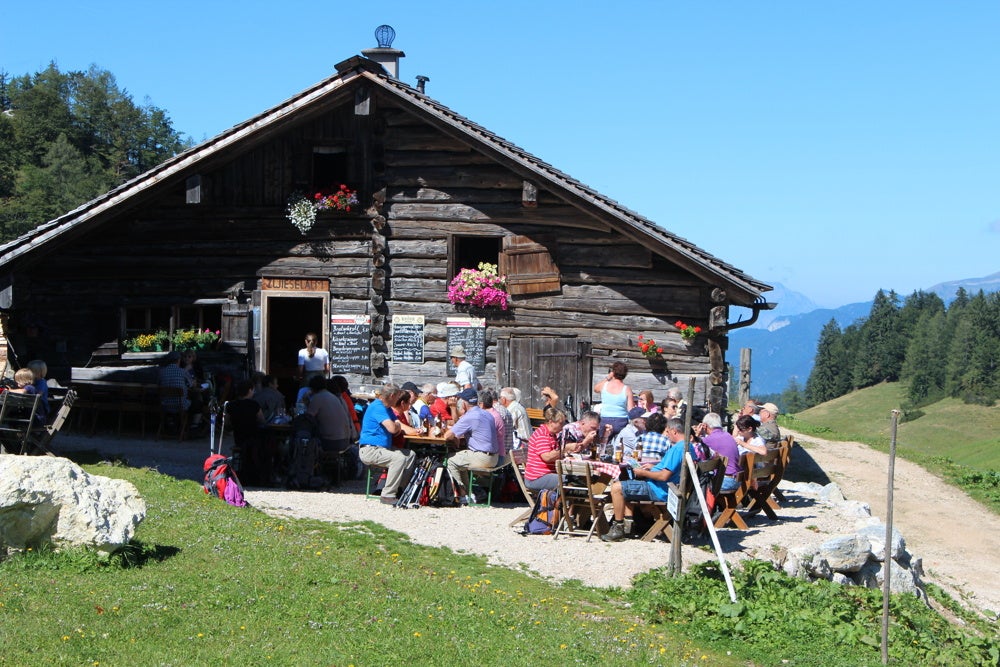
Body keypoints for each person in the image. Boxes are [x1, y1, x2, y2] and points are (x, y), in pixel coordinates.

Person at [601, 417, 691, 542]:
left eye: (668, 431)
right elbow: (669, 470)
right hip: (668, 486)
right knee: (627, 486)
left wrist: (643, 472)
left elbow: (664, 476)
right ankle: (629, 525)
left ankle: (618, 527)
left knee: (617, 488)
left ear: (674, 431)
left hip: (660, 489)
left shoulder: (677, 449)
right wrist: (653, 467)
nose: (667, 434)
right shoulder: (687, 447)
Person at [358, 384, 416, 505]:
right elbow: (393, 429)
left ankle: (399, 490)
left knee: (410, 455)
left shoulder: (387, 409)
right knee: (398, 458)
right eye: (397, 397)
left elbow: (396, 425)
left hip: (383, 449)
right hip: (370, 450)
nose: (398, 400)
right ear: (392, 395)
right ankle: (387, 495)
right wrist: (397, 426)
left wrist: (398, 426)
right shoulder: (378, 407)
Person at [444, 389, 500, 504]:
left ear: (464, 403)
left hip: (482, 458)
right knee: (461, 459)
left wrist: (454, 438)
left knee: (451, 460)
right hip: (494, 458)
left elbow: (447, 436)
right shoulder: (486, 413)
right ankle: (469, 494)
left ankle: (462, 494)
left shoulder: (471, 416)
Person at [226, 379, 265, 484]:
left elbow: (227, 423)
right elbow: (262, 420)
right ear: (249, 390)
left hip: (239, 437)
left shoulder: (231, 405)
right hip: (254, 438)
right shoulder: (254, 405)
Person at [696, 412, 743, 493]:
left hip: (724, 481)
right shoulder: (728, 435)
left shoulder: (708, 440)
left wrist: (697, 435)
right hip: (737, 479)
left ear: (705, 426)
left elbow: (696, 451)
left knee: (696, 484)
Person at [523, 407, 568, 491]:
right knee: (569, 480)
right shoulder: (542, 435)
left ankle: (566, 502)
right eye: (560, 423)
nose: (562, 427)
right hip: (536, 477)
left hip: (546, 474)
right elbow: (547, 457)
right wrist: (565, 448)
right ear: (551, 422)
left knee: (575, 478)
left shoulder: (552, 435)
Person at [592, 361, 633, 440]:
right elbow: (630, 409)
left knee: (602, 444)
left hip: (605, 419)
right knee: (620, 446)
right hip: (621, 421)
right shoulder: (627, 389)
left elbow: (595, 389)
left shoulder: (604, 385)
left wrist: (608, 377)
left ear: (613, 372)